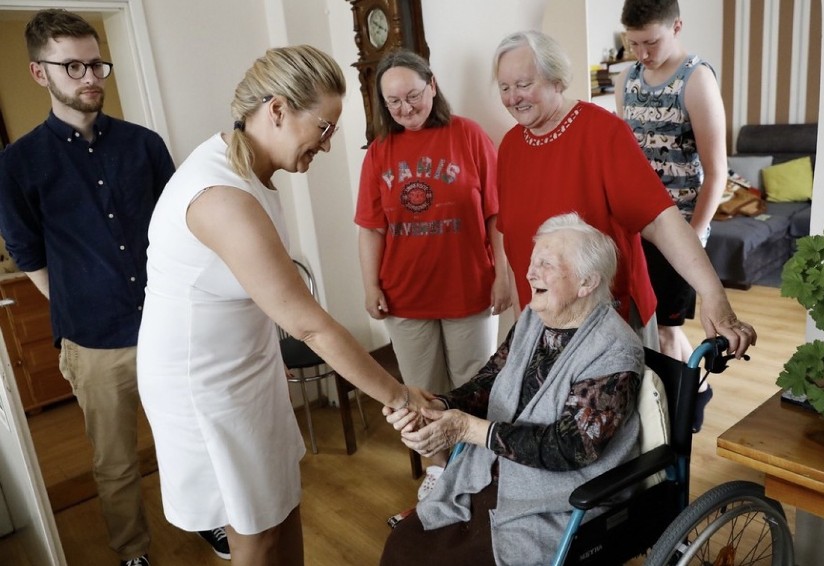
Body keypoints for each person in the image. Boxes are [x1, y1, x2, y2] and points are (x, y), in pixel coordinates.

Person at [136, 45, 431, 566]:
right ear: (276, 109)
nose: (327, 143)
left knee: (281, 503)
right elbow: (309, 326)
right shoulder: (220, 196)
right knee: (255, 530)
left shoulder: (253, 169)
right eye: (323, 127)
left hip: (248, 366)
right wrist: (400, 396)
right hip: (202, 386)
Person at [0, 10, 228, 566]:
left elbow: (179, 228)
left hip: (169, 328)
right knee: (115, 459)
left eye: (96, 62)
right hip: (93, 342)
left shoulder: (144, 145)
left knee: (192, 439)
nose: (90, 77)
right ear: (39, 73)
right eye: (72, 66)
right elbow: (28, 253)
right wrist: (81, 300)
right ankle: (132, 551)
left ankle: (205, 519)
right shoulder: (18, 163)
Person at [379, 213, 645, 566]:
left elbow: (570, 448)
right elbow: (490, 380)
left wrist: (469, 430)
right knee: (403, 545)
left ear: (587, 282)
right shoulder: (534, 320)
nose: (530, 273)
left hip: (554, 500)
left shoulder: (614, 351)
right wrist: (438, 405)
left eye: (546, 265)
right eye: (532, 262)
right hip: (494, 475)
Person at [492, 30, 755, 362]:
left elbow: (660, 220)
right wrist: (523, 327)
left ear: (556, 79)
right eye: (505, 87)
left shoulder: (602, 132)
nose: (514, 97)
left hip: (607, 322)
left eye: (524, 84)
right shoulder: (511, 147)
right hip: (543, 322)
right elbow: (514, 243)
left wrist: (713, 295)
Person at [355, 49, 511, 493]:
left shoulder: (469, 136)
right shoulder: (380, 153)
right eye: (394, 102)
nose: (406, 108)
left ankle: (480, 474)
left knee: (474, 387)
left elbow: (498, 216)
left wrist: (504, 274)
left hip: (469, 288)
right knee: (419, 393)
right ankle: (438, 474)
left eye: (413, 95)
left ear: (433, 86)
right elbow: (370, 229)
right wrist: (370, 286)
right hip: (405, 295)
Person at [615, 0, 727, 431]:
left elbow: (716, 171)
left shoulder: (695, 80)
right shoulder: (628, 80)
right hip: (635, 228)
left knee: (665, 330)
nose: (643, 52)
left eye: (651, 41)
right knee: (645, 326)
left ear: (676, 26)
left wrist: (695, 235)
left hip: (679, 229)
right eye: (634, 43)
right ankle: (676, 403)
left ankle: (688, 402)